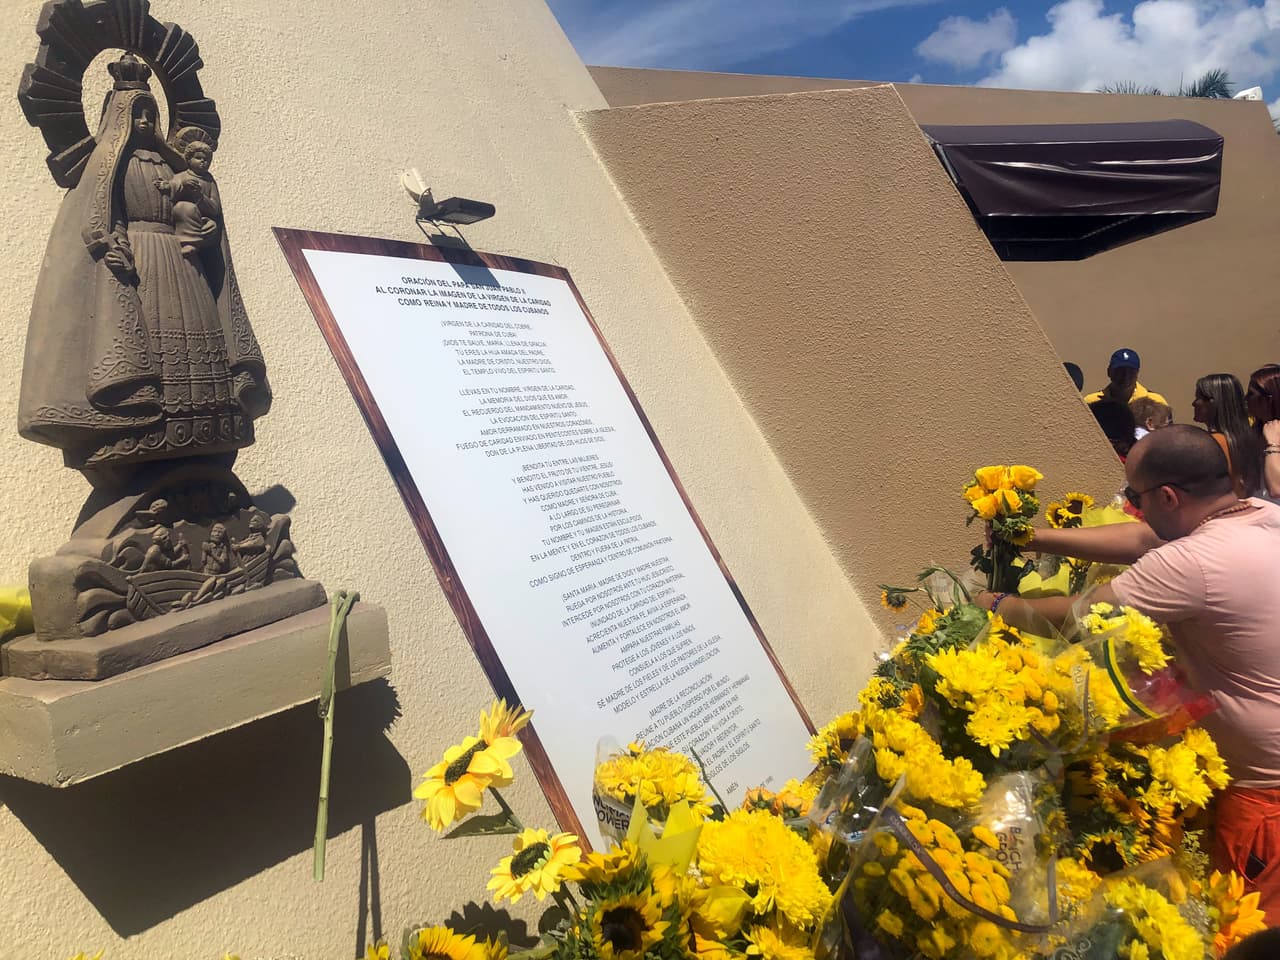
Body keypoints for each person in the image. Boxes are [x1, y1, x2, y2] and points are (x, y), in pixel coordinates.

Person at [978, 426, 1280, 923]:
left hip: (1264, 799)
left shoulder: (1193, 563)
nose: (1132, 508)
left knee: (1245, 929)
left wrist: (996, 605)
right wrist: (1034, 537)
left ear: (1168, 495)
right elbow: (1145, 537)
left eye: (1135, 497)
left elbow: (1079, 616)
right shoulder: (1260, 516)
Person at [17, 53, 270, 478]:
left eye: (151, 115)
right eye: (137, 116)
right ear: (119, 120)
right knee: (148, 337)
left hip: (181, 261)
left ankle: (204, 423)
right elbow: (98, 212)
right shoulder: (112, 165)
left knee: (197, 331)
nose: (146, 124)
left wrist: (206, 231)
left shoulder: (175, 165)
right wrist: (109, 239)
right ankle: (142, 422)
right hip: (141, 259)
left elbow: (198, 212)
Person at [1192, 373, 1259, 498]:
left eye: (1198, 397)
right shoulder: (1250, 436)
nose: (1194, 403)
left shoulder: (1212, 443)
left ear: (1213, 402)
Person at [1085, 348, 1168, 406]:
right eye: (1120, 371)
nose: (1126, 376)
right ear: (1109, 372)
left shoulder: (1156, 402)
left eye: (1131, 371)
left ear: (1137, 373)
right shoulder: (1091, 402)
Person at [1246, 364, 1280, 500]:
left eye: (1251, 394)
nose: (1246, 399)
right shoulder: (1256, 431)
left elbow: (1277, 489)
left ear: (1268, 400)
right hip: (1261, 509)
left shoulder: (1274, 435)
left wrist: (1273, 444)